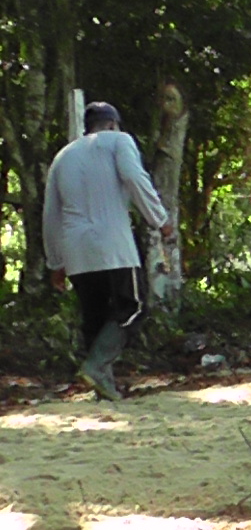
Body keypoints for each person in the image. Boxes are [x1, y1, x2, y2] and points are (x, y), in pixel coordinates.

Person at [43, 102, 174, 401]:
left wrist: (56, 261)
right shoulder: (120, 141)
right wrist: (160, 219)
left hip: (77, 251)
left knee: (96, 317)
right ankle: (97, 366)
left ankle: (104, 386)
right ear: (114, 124)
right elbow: (134, 177)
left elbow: (51, 214)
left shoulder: (62, 157)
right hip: (114, 245)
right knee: (133, 306)